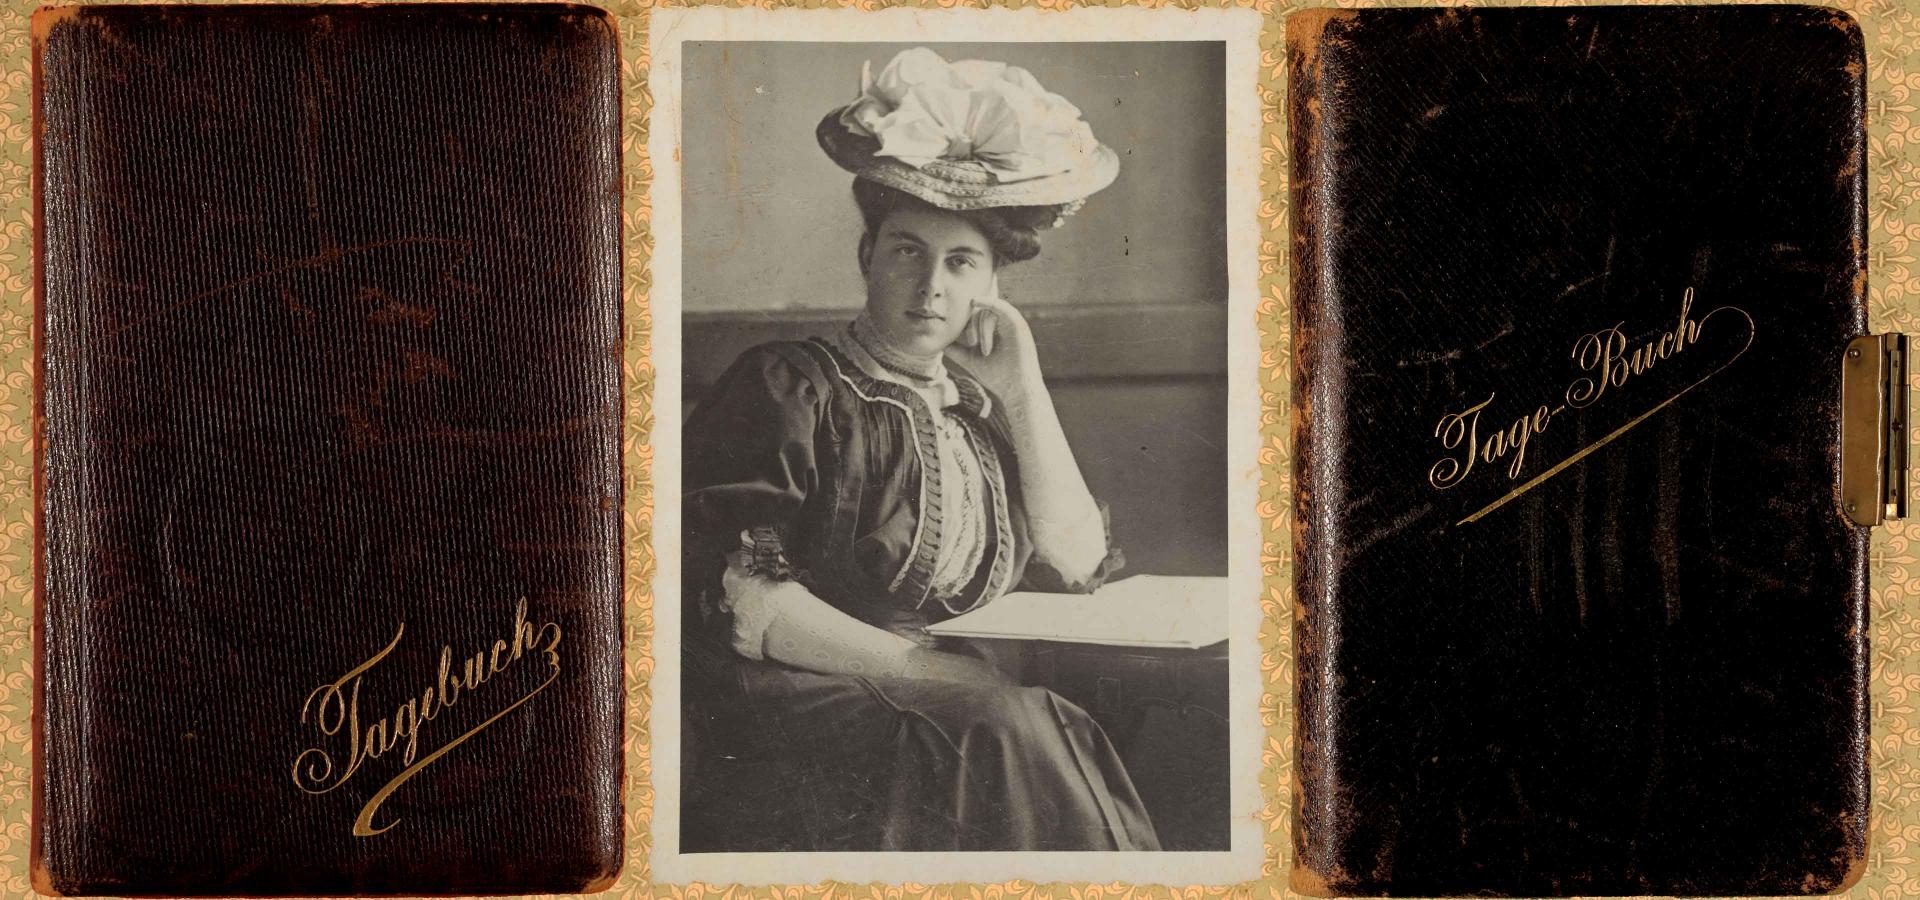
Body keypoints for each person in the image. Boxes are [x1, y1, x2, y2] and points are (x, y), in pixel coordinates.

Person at [681, 47, 1159, 852]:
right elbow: (744, 593)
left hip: (951, 694)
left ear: (989, 288)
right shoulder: (789, 383)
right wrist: (922, 670)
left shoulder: (979, 409)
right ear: (868, 257)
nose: (930, 285)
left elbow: (1078, 563)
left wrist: (1022, 387)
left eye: (960, 262)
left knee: (1047, 719)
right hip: (798, 692)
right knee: (1007, 724)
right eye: (906, 251)